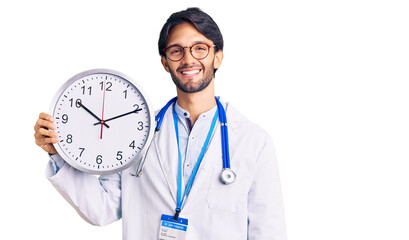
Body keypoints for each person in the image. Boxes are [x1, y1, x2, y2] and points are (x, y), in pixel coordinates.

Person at [34, 7, 287, 240]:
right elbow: (102, 209)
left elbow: (269, 232)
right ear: (165, 62)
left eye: (200, 48)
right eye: (176, 50)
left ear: (217, 57)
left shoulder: (253, 141)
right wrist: (58, 153)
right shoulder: (137, 132)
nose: (188, 59)